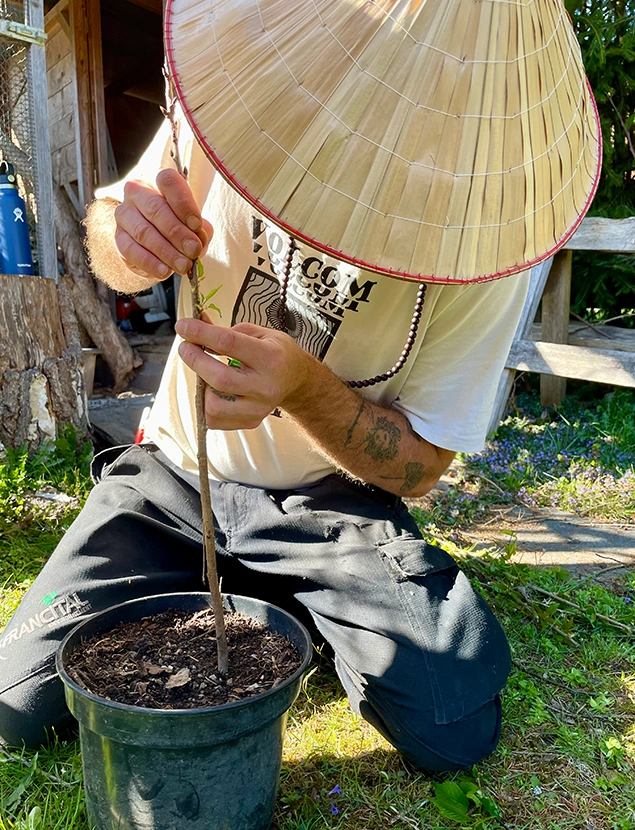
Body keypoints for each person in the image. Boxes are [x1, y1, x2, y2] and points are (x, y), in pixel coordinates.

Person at [0, 0, 600, 770]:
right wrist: (126, 238)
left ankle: (287, 592)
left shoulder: (487, 242)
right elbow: (115, 232)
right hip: (176, 477)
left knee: (450, 728)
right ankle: (266, 595)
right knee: (16, 705)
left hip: (331, 503)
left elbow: (418, 469)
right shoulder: (241, 87)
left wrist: (303, 389)